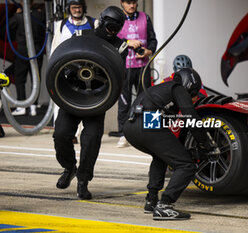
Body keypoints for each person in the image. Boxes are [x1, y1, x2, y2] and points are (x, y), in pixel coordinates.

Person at [123, 68, 219, 220]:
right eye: (193, 93)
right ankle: (165, 205)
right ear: (190, 86)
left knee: (160, 156)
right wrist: (206, 144)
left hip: (130, 127)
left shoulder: (158, 89)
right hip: (146, 124)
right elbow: (191, 117)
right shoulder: (177, 88)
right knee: (186, 166)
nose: (193, 97)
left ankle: (151, 200)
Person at [53, 6, 127, 200]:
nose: (112, 31)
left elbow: (119, 74)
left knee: (91, 140)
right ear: (102, 21)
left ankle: (83, 181)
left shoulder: (121, 46)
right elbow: (64, 56)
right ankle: (69, 168)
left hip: (97, 98)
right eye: (110, 26)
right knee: (61, 134)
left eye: (116, 28)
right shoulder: (81, 34)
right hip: (72, 93)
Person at [51, 0, 98, 144]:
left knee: (85, 102)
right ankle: (65, 132)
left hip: (88, 71)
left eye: (78, 7)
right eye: (73, 7)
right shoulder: (62, 25)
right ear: (69, 9)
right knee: (62, 102)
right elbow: (55, 47)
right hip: (66, 71)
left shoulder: (93, 23)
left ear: (83, 8)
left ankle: (80, 134)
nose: (76, 10)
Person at [116, 0, 157, 148]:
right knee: (124, 102)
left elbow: (153, 39)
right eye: (128, 2)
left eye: (134, 2)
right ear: (122, 3)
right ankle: (123, 134)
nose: (132, 5)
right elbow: (111, 40)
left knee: (147, 100)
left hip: (143, 66)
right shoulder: (116, 17)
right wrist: (127, 42)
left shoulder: (145, 17)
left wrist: (149, 51)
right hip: (124, 67)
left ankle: (148, 134)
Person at [9, 0, 45, 116]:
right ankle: (33, 106)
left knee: (20, 79)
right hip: (37, 50)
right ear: (32, 2)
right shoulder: (39, 15)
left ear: (22, 2)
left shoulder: (18, 16)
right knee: (36, 79)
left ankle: (21, 106)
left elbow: (8, 29)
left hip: (23, 51)